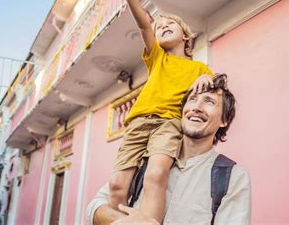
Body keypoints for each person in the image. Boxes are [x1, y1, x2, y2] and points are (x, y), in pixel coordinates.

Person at [109, 0, 214, 223]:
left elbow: (216, 86)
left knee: (155, 176)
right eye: (160, 27)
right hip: (138, 124)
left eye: (170, 25)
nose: (162, 26)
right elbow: (145, 25)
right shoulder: (157, 57)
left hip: (169, 123)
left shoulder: (199, 68)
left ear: (186, 37)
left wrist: (207, 80)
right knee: (116, 184)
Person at [87, 74, 251, 225]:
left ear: (224, 120)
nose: (197, 107)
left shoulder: (233, 176)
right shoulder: (149, 158)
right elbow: (95, 205)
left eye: (209, 102)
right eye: (192, 99)